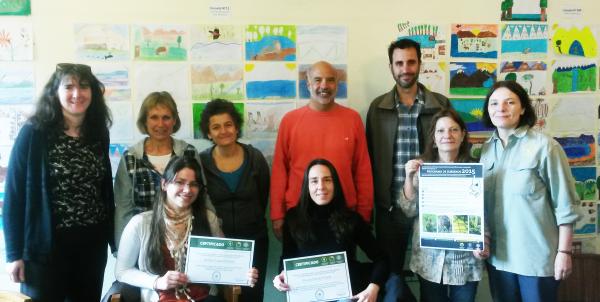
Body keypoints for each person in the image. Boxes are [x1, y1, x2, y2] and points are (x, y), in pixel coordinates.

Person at [3, 63, 114, 301]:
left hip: (91, 245)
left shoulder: (98, 133)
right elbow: (14, 195)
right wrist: (13, 254)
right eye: (69, 86)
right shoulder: (34, 133)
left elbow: (104, 188)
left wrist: (113, 239)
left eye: (84, 86)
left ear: (93, 92)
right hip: (45, 247)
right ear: (56, 92)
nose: (77, 93)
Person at [366, 38, 451, 301]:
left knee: (431, 280)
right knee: (392, 279)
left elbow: (453, 153)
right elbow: (368, 157)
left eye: (411, 62)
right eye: (399, 63)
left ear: (420, 64)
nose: (405, 68)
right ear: (391, 66)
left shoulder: (440, 104)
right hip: (390, 210)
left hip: (431, 211)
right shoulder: (377, 108)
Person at [480, 80, 580, 302]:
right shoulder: (486, 150)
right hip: (499, 260)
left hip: (535, 260)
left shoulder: (545, 147)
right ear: (488, 109)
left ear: (523, 108)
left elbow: (566, 206)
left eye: (510, 102)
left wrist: (564, 253)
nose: (501, 108)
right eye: (494, 103)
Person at [115, 156, 258, 302]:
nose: (188, 190)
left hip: (202, 298)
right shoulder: (140, 223)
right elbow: (122, 272)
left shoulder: (208, 219)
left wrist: (243, 273)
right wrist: (157, 281)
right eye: (179, 182)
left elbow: (225, 262)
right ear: (164, 184)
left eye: (194, 184)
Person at [270, 60, 373, 240]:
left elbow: (362, 170)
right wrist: (277, 215)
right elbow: (279, 171)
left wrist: (364, 213)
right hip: (298, 214)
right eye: (318, 80)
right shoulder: (290, 121)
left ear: (337, 84)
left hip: (344, 215)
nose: (324, 85)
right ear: (308, 84)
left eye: (330, 80)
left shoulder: (353, 119)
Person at [400, 109, 489, 302]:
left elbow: (485, 213)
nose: (447, 135)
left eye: (453, 130)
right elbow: (408, 210)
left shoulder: (476, 170)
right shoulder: (422, 169)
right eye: (440, 131)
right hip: (429, 260)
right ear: (433, 137)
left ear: (463, 135)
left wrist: (483, 241)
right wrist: (408, 176)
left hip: (465, 261)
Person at [272, 159, 387, 302]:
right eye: (314, 181)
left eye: (327, 180)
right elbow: (286, 259)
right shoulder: (293, 218)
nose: (321, 186)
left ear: (335, 185)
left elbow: (382, 258)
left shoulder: (351, 219)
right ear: (306, 186)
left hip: (345, 296)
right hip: (306, 296)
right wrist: (279, 277)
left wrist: (373, 288)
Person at [114, 91, 209, 248]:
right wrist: (121, 247)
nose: (160, 124)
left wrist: (213, 236)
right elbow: (124, 209)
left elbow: (203, 197)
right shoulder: (131, 158)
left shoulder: (189, 153)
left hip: (184, 239)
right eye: (154, 117)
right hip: (143, 242)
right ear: (145, 121)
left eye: (166, 117)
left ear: (174, 121)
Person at [198, 99, 270, 302]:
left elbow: (263, 196)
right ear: (208, 133)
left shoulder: (255, 158)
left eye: (228, 124)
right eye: (216, 127)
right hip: (218, 244)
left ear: (236, 127)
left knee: (252, 295)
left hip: (253, 240)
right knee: (220, 297)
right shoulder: (202, 162)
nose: (223, 131)